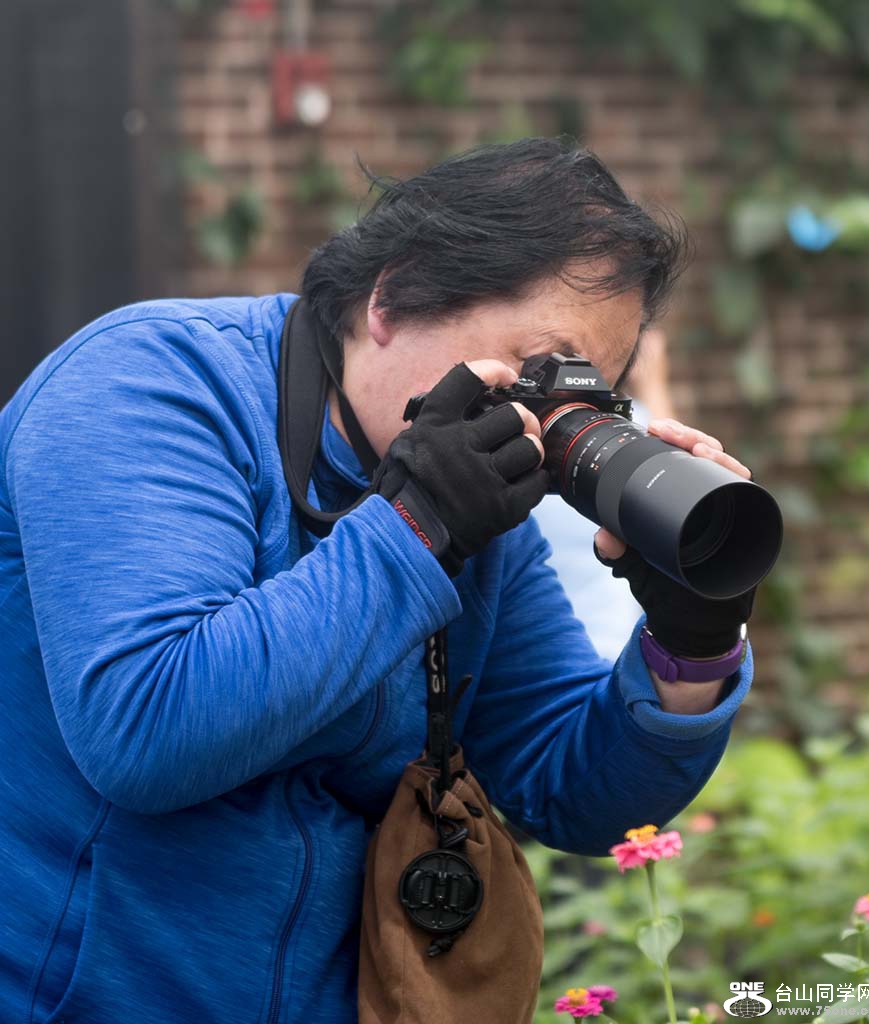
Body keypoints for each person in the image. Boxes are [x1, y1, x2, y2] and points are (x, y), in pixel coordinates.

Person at [0, 138, 756, 1024]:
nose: (547, 418)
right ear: (392, 298)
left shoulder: (469, 499)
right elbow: (149, 729)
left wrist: (691, 644)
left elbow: (570, 792)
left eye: (589, 393)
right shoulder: (148, 384)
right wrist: (415, 528)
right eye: (542, 369)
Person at [532, 327, 677, 661]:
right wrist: (654, 384)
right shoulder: (634, 431)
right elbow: (671, 489)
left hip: (550, 655)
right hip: (612, 649)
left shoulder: (519, 436)